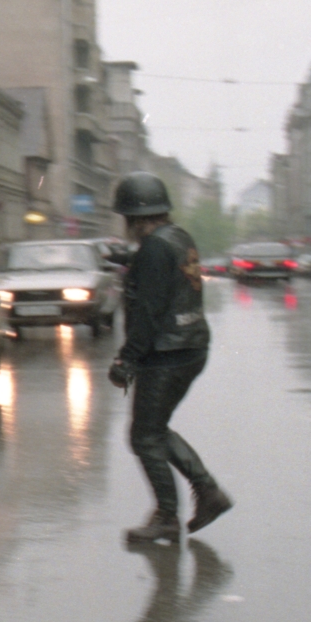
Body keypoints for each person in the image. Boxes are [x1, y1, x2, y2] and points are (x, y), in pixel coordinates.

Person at [108, 171, 232, 544]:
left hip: (167, 353)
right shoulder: (178, 237)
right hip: (191, 346)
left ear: (133, 217)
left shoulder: (153, 249)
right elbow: (164, 276)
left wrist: (127, 359)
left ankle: (168, 515)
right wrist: (132, 261)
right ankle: (207, 493)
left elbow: (149, 310)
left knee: (144, 436)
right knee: (155, 430)